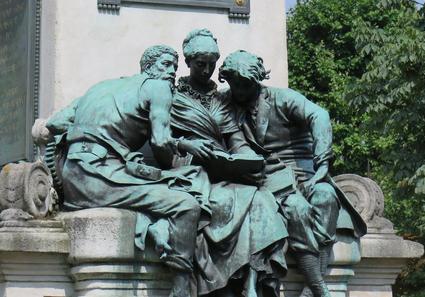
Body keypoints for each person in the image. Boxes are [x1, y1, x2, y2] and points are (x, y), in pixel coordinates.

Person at [36, 45, 212, 297]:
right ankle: (182, 288)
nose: (172, 71)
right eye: (166, 65)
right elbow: (161, 142)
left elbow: (54, 123)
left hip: (73, 178)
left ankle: (157, 232)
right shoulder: (158, 87)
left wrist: (98, 136)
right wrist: (184, 145)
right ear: (149, 67)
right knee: (187, 205)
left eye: (174, 66)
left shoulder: (100, 88)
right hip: (101, 175)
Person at [218, 50, 367, 297]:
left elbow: (319, 115)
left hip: (304, 172)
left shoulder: (281, 98)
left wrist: (321, 165)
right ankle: (318, 286)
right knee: (296, 209)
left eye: (244, 85)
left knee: (326, 197)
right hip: (269, 177)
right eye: (234, 85)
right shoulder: (225, 103)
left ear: (256, 81)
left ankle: (311, 286)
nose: (240, 91)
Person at [170, 29, 288, 297]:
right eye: (201, 64)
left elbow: (236, 140)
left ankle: (251, 282)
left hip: (223, 169)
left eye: (212, 64)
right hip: (190, 168)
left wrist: (247, 159)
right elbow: (162, 140)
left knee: (261, 200)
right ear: (188, 62)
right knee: (220, 203)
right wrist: (188, 149)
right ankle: (219, 281)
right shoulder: (173, 97)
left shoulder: (222, 99)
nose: (207, 70)